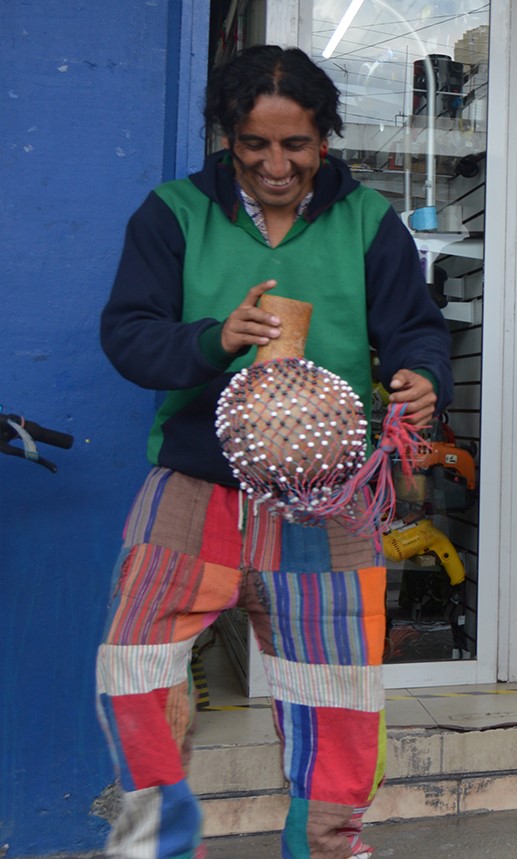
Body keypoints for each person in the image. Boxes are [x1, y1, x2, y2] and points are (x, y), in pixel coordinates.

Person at [96, 44, 453, 859]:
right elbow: (127, 335)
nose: (275, 163)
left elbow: (417, 329)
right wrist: (214, 338)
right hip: (196, 482)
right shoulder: (174, 212)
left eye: (295, 144)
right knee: (135, 660)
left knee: (337, 692)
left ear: (325, 140)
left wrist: (420, 376)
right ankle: (157, 836)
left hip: (328, 500)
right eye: (254, 143)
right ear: (228, 137)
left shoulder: (369, 221)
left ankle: (324, 844)